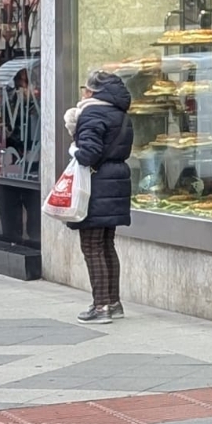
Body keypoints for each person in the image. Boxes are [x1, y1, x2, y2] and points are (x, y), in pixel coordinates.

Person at [67, 70, 134, 324]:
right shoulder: (121, 114)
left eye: (86, 88)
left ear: (94, 92)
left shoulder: (93, 112)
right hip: (116, 181)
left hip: (95, 183)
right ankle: (114, 302)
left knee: (92, 246)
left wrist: (74, 148)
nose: (83, 92)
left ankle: (100, 306)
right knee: (107, 245)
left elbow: (89, 153)